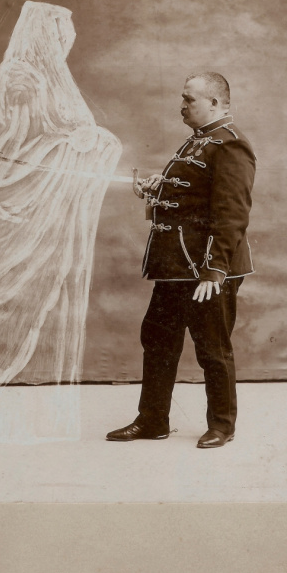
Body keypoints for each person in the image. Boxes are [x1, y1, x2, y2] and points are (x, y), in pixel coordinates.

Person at [106, 71, 256, 448]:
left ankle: (222, 425)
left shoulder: (230, 145)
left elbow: (232, 215)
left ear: (215, 103)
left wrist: (214, 271)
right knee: (158, 339)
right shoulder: (199, 141)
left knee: (212, 347)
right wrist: (160, 188)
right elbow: (193, 199)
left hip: (208, 268)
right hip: (176, 267)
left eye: (189, 99)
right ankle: (152, 420)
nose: (182, 105)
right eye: (183, 98)